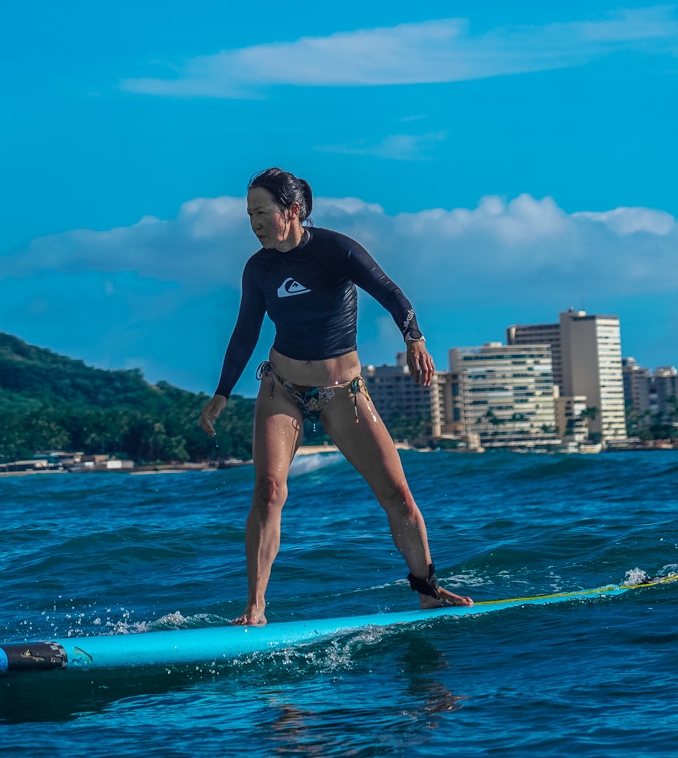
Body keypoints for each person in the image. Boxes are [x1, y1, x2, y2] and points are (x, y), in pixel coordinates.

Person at [199, 167, 473, 626]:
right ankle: (255, 607)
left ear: (292, 211)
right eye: (249, 214)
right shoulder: (259, 268)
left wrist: (415, 340)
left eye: (262, 213)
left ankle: (428, 591)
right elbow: (246, 330)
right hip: (281, 389)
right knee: (268, 491)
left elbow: (390, 293)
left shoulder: (335, 250)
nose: (254, 223)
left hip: (342, 391)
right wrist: (222, 393)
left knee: (398, 494)